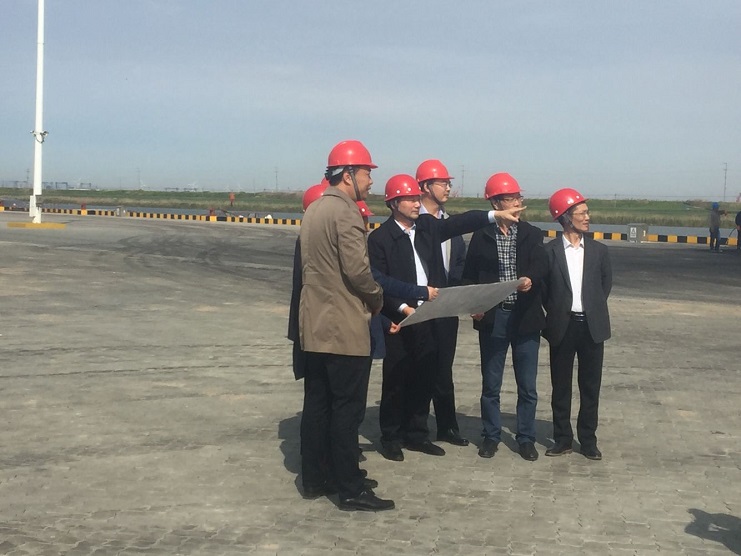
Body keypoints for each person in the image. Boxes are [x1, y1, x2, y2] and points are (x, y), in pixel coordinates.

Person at [367, 174, 525, 462]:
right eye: (410, 200)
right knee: (397, 377)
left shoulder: (427, 227)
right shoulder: (379, 239)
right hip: (400, 317)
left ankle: (417, 433)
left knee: (425, 375)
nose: (416, 204)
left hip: (430, 314)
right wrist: (402, 308)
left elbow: (459, 223)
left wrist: (494, 215)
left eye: (417, 199)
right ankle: (391, 436)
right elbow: (379, 283)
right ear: (393, 204)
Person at [298, 140, 393, 511]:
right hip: (344, 327)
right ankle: (349, 487)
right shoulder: (346, 212)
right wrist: (377, 298)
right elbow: (358, 272)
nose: (371, 181)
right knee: (347, 410)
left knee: (317, 406)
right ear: (349, 174)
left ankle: (315, 478)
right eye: (367, 173)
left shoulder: (314, 209)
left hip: (314, 325)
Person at [461, 173, 547, 461]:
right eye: (512, 199)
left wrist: (531, 278)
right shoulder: (482, 236)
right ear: (496, 203)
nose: (518, 204)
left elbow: (542, 267)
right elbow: (470, 276)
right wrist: (474, 305)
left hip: (525, 318)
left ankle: (526, 438)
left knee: (527, 386)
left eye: (519, 198)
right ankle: (491, 435)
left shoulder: (532, 234)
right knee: (491, 384)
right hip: (494, 318)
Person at [543, 187, 612, 461]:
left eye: (587, 212)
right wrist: (559, 310)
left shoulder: (599, 251)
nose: (587, 217)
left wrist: (591, 307)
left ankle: (588, 440)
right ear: (565, 217)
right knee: (561, 386)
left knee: (590, 387)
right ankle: (562, 439)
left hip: (592, 327)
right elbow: (545, 291)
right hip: (563, 326)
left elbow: (605, 285)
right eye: (581, 213)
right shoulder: (549, 252)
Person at [416, 159, 468, 447]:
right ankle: (417, 428)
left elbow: (459, 262)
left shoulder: (450, 225)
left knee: (444, 368)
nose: (448, 188)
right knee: (421, 367)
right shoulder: (414, 222)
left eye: (449, 183)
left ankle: (447, 427)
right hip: (420, 305)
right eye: (443, 183)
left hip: (447, 306)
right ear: (425, 187)